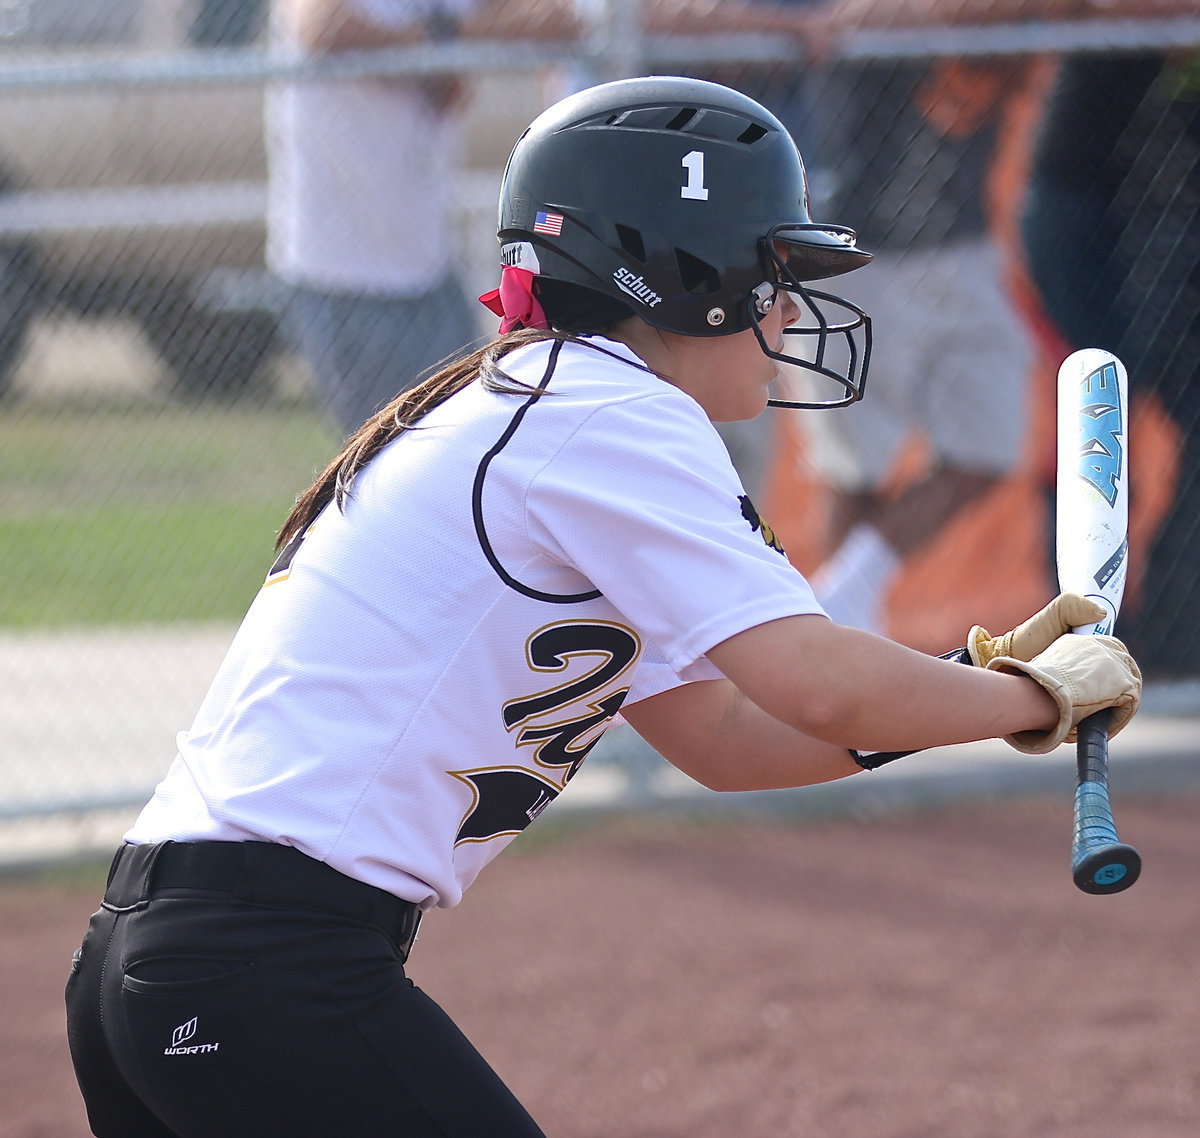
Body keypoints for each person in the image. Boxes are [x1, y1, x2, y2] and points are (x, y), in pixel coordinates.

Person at [65, 77, 1140, 1138]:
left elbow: (729, 735)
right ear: (685, 276)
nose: (788, 307)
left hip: (166, 961)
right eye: (771, 272)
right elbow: (817, 683)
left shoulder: (550, 404)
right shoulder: (610, 413)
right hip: (263, 967)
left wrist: (976, 673)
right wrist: (1020, 695)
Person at [791, 0, 1037, 635]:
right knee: (854, 470)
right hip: (846, 244)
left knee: (986, 446)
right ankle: (841, 647)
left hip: (961, 243)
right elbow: (838, 24)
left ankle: (840, 602)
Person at [266, 0, 581, 436]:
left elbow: (556, 19)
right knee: (385, 460)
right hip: (341, 273)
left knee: (466, 438)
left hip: (430, 270)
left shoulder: (444, 15)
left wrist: (443, 43)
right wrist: (439, 45)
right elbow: (323, 29)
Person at [1019, 7, 1200, 678]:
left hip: (1159, 220)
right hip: (1079, 218)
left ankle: (1174, 646)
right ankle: (1072, 632)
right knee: (1095, 414)